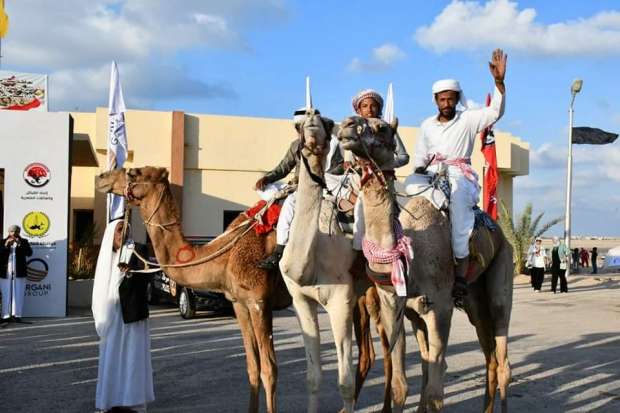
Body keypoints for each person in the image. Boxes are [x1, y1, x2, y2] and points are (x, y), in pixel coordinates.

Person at [411, 48, 506, 301]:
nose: (446, 104)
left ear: (456, 99)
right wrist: (419, 171)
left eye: (451, 99)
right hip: (430, 175)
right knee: (406, 192)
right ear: (436, 100)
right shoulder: (427, 125)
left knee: (459, 210)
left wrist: (499, 82)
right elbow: (420, 154)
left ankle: (461, 273)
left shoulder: (468, 120)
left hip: (458, 175)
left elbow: (495, 112)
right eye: (442, 99)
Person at [255, 107, 344, 270]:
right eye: (300, 128)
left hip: (324, 186)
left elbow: (337, 168)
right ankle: (280, 250)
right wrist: (267, 177)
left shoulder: (330, 145)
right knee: (275, 199)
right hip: (299, 187)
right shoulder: (296, 145)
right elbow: (284, 167)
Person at [93, 220, 154, 413]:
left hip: (132, 314)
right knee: (111, 357)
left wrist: (130, 274)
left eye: (126, 229)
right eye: (119, 230)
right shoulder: (106, 257)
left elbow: (147, 277)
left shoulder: (138, 249)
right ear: (111, 233)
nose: (123, 233)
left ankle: (133, 401)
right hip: (111, 314)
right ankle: (110, 400)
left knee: (132, 358)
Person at [350, 89, 410, 271]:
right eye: (365, 106)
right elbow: (345, 160)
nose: (369, 110)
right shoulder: (354, 131)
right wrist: (349, 165)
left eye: (373, 105)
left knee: (397, 218)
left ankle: (397, 259)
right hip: (358, 182)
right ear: (358, 110)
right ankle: (358, 259)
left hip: (384, 183)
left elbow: (403, 156)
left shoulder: (386, 129)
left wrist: (384, 163)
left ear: (379, 108)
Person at [0, 225, 33, 323]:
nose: (13, 234)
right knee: (5, 294)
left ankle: (17, 315)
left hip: (19, 272)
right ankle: (5, 316)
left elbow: (29, 253)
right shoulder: (2, 242)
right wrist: (6, 245)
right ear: (8, 232)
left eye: (15, 232)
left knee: (18, 294)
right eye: (11, 231)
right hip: (5, 272)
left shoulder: (24, 242)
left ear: (19, 232)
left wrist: (19, 244)